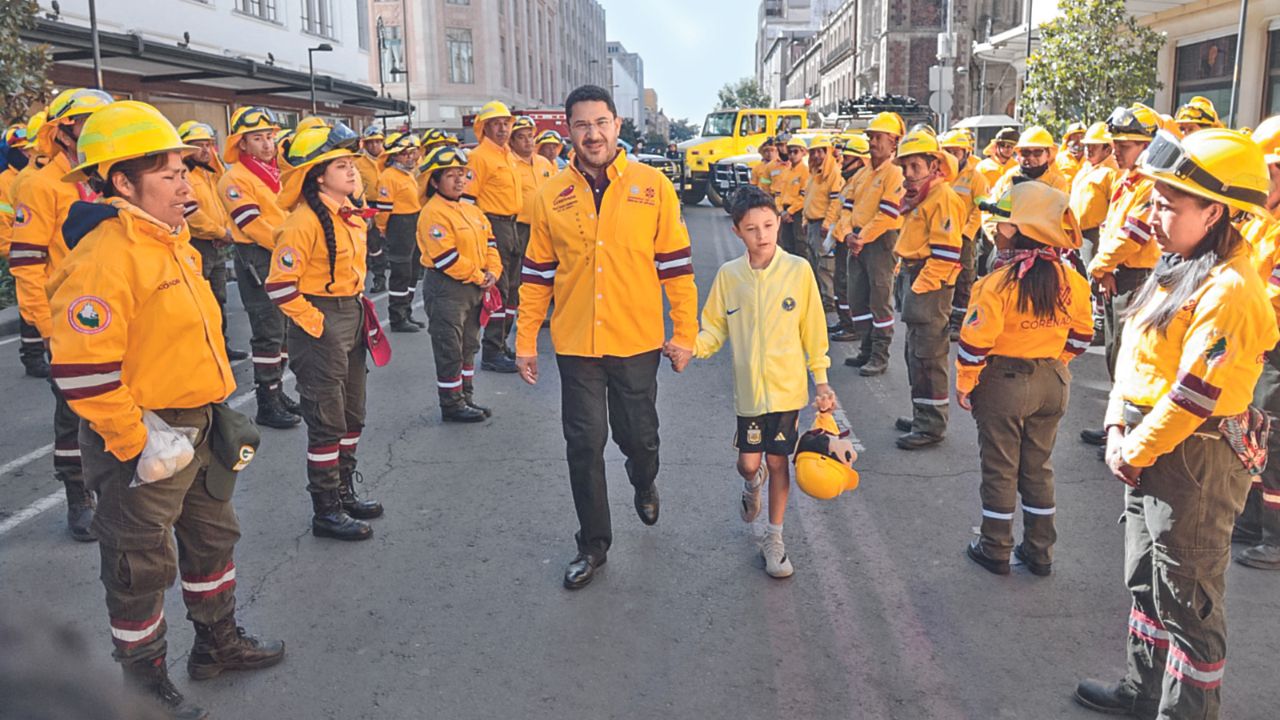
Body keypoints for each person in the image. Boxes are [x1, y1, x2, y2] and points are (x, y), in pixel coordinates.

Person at [48, 100, 285, 720]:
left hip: (197, 424)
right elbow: (82, 369)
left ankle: (217, 645)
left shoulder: (168, 240)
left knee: (212, 541)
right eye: (170, 174)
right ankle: (143, 685)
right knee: (139, 563)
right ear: (121, 182)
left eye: (185, 169)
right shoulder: (106, 253)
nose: (186, 182)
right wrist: (135, 442)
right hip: (144, 433)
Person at [1074, 128, 1277, 720]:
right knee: (1148, 580)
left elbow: (1193, 395)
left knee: (1189, 602)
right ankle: (1142, 691)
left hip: (1194, 454)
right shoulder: (1181, 263)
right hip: (1149, 439)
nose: (1155, 214)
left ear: (1215, 211)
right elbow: (1136, 353)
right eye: (1155, 199)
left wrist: (1133, 446)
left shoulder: (1232, 288)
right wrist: (1116, 424)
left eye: (1170, 204)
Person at [515, 85, 698, 590]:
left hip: (637, 338)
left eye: (600, 123)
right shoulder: (550, 193)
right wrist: (526, 338)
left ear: (617, 125)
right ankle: (593, 544)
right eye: (581, 125)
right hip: (576, 343)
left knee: (637, 436)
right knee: (584, 442)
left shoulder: (652, 185)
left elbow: (677, 267)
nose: (592, 134)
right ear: (568, 131)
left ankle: (644, 480)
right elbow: (536, 274)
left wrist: (685, 331)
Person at [693, 185, 834, 578]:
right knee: (748, 463)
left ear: (777, 224)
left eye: (769, 225)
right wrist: (690, 348)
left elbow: (813, 330)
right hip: (751, 397)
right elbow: (713, 330)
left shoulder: (798, 270)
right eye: (752, 228)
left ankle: (775, 539)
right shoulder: (729, 276)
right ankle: (749, 484)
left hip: (788, 392)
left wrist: (820, 381)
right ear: (737, 231)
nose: (763, 235)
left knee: (777, 462)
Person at [956, 182, 1093, 576]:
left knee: (1000, 467)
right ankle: (1039, 551)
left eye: (1001, 224)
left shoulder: (995, 284)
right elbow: (1083, 335)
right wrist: (1056, 362)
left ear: (1016, 230)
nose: (995, 231)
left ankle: (995, 547)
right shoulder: (1073, 280)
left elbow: (974, 344)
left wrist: (966, 383)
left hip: (1004, 381)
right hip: (1053, 381)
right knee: (1038, 468)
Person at [267, 121, 384, 542]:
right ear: (318, 175)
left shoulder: (347, 213)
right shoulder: (303, 223)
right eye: (340, 165)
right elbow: (279, 286)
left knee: (353, 412)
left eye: (352, 163)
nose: (352, 171)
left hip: (350, 314)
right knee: (326, 419)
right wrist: (318, 325)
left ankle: (344, 490)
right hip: (320, 321)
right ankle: (326, 508)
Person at [11, 87, 114, 541]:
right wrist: (49, 328)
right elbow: (27, 265)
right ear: (66, 128)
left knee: (115, 403)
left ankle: (114, 488)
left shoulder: (105, 178)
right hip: (69, 319)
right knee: (73, 413)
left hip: (115, 313)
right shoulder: (39, 185)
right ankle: (79, 496)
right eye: (90, 120)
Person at [1080, 104, 1161, 449]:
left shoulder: (1150, 185)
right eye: (1115, 143)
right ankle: (1117, 425)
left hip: (1137, 277)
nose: (1116, 150)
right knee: (1115, 354)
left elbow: (1133, 235)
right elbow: (1109, 229)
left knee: (1130, 358)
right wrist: (1105, 268)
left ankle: (1128, 434)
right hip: (1119, 274)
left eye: (1125, 145)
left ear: (1146, 146)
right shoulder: (1126, 181)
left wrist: (1099, 267)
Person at [217, 105, 301, 430]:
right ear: (242, 143)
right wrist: (289, 243)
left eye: (270, 137)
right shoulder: (234, 178)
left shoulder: (276, 172)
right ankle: (267, 402)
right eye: (257, 139)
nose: (267, 145)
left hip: (280, 253)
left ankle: (278, 393)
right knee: (267, 331)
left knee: (283, 328)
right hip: (257, 255)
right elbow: (250, 223)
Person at [417, 145, 503, 423]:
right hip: (447, 288)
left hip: (475, 286)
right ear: (434, 180)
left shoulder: (471, 210)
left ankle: (466, 395)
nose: (459, 180)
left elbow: (490, 243)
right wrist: (481, 277)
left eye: (462, 174)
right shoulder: (433, 213)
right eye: (451, 175)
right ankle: (451, 404)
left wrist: (494, 271)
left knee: (468, 345)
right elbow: (446, 258)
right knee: (449, 347)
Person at [891, 127, 965, 450]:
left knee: (929, 356)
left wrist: (919, 288)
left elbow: (947, 254)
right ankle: (922, 414)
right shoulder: (922, 196)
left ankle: (931, 424)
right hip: (916, 277)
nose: (907, 174)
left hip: (930, 283)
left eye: (914, 167)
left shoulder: (943, 197)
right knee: (914, 354)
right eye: (904, 167)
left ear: (934, 166)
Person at [1233, 116, 1280, 569]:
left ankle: (1277, 537)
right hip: (1257, 344)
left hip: (1275, 347)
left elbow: (1271, 294)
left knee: (1277, 440)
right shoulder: (1262, 220)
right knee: (1253, 432)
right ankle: (1250, 520)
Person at [833, 112, 906, 376]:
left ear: (893, 142)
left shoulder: (895, 174)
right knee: (857, 297)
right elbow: (845, 208)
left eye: (878, 137)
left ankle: (879, 354)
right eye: (871, 137)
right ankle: (865, 347)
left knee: (879, 298)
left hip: (880, 244)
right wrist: (847, 235)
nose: (872, 142)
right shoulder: (862, 174)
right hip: (858, 241)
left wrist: (860, 238)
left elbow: (887, 215)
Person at [177, 121, 247, 364]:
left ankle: (221, 344)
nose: (206, 151)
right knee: (199, 301)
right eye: (198, 146)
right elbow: (192, 215)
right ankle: (202, 351)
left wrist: (223, 232)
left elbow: (221, 203)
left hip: (215, 244)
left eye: (209, 145)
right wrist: (220, 232)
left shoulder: (208, 173)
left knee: (218, 298)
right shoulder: (183, 176)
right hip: (199, 244)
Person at [465, 101, 523, 373]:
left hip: (512, 224)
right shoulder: (479, 157)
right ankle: (491, 351)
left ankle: (500, 343)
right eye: (496, 123)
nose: (503, 128)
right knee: (499, 289)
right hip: (493, 224)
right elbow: (467, 199)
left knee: (512, 289)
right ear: (484, 127)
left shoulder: (508, 155)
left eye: (506, 123)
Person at [2, 117, 52, 379]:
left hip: (37, 253)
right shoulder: (15, 181)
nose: (25, 153)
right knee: (30, 307)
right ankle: (32, 357)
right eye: (21, 150)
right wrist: (14, 251)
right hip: (23, 252)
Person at [939, 129, 990, 341]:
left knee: (963, 280)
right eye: (948, 152)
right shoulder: (940, 175)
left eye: (956, 152)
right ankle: (942, 319)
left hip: (963, 239)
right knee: (941, 278)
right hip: (940, 237)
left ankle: (958, 323)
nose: (952, 156)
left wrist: (967, 234)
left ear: (966, 153)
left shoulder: (976, 178)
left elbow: (980, 208)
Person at [373, 131, 424, 333]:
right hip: (399, 224)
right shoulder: (389, 177)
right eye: (405, 153)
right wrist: (383, 229)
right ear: (394, 155)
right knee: (401, 272)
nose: (410, 157)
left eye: (412, 152)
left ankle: (407, 311)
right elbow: (384, 209)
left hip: (412, 221)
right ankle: (397, 316)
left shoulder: (407, 174)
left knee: (412, 272)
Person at [825, 133, 869, 341]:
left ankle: (852, 325)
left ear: (860, 160)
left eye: (847, 158)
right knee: (840, 281)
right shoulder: (850, 181)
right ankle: (844, 321)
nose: (842, 162)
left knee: (848, 284)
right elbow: (840, 209)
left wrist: (841, 233)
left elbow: (853, 214)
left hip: (851, 239)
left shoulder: (859, 182)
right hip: (842, 237)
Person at [801, 136, 842, 310]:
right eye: (814, 152)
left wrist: (827, 224)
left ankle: (829, 300)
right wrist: (804, 219)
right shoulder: (813, 173)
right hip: (811, 224)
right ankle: (818, 298)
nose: (817, 155)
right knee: (813, 262)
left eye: (820, 151)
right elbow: (808, 199)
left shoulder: (833, 173)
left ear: (828, 152)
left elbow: (835, 202)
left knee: (825, 265)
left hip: (822, 226)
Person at [355, 125, 388, 293]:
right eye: (371, 142)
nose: (374, 146)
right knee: (373, 243)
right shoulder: (358, 163)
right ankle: (379, 278)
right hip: (369, 205)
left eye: (378, 142)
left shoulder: (389, 160)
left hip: (391, 205)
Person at [773, 136, 809, 259]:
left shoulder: (805, 171)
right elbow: (778, 194)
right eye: (790, 152)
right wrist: (781, 211)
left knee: (800, 244)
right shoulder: (786, 172)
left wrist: (789, 211)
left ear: (803, 152)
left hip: (797, 213)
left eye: (796, 151)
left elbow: (804, 196)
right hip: (784, 212)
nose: (792, 155)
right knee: (786, 244)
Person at [1056, 121, 1087, 186]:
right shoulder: (1059, 158)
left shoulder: (1091, 159)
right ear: (1068, 140)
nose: (1078, 141)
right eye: (1075, 137)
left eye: (1081, 137)